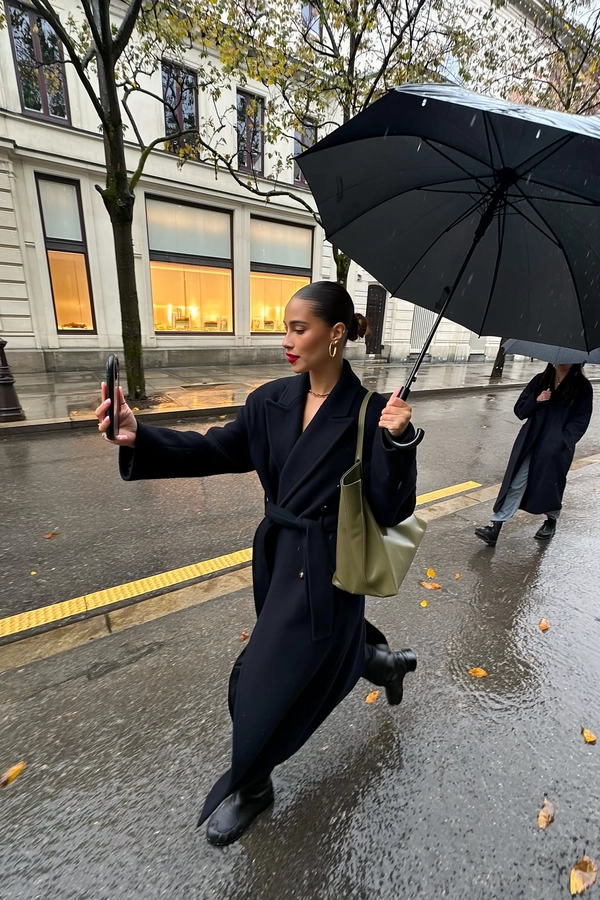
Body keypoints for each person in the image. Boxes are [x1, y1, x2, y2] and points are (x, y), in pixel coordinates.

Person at [95, 281, 420, 847]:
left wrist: (398, 442)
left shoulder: (370, 412)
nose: (287, 341)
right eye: (284, 328)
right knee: (327, 651)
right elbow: (215, 448)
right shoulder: (269, 400)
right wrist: (137, 437)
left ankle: (252, 785)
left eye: (299, 329)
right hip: (275, 555)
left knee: (254, 679)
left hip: (327, 567)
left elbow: (393, 509)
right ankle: (383, 663)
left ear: (336, 334)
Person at [475, 362, 593, 547]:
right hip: (530, 441)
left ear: (576, 361)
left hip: (556, 448)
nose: (561, 362)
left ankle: (551, 521)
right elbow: (520, 410)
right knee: (516, 482)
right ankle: (495, 527)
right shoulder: (540, 380)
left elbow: (581, 420)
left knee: (551, 485)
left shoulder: (582, 387)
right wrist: (537, 400)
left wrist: (562, 441)